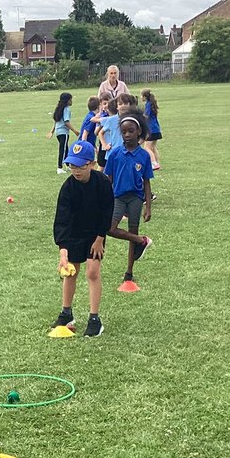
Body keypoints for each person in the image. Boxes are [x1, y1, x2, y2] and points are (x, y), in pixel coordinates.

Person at [51, 140, 114, 338]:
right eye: (72, 166)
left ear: (92, 164)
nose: (76, 171)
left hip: (95, 234)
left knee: (93, 272)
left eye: (80, 166)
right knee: (70, 272)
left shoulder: (102, 183)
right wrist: (63, 251)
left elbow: (107, 212)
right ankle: (66, 313)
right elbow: (62, 219)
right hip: (74, 235)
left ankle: (95, 319)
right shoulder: (68, 188)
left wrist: (100, 238)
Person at [104, 110, 154, 291]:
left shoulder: (144, 156)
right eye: (124, 131)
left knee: (133, 229)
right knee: (109, 228)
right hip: (118, 197)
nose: (127, 135)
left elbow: (147, 182)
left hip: (135, 199)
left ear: (138, 132)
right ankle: (141, 240)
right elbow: (107, 179)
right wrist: (103, 199)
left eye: (130, 131)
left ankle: (129, 272)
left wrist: (148, 207)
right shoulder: (115, 154)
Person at [52, 92, 77, 174]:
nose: (71, 101)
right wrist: (75, 131)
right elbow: (66, 122)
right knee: (63, 149)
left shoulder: (59, 109)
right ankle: (59, 167)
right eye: (70, 99)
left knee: (66, 149)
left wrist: (52, 131)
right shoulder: (66, 109)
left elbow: (56, 122)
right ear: (67, 101)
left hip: (58, 132)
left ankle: (67, 165)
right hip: (63, 132)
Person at [141, 88, 162, 169]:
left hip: (151, 130)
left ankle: (154, 163)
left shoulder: (148, 105)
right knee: (153, 147)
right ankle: (157, 163)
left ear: (144, 97)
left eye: (141, 96)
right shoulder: (152, 104)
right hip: (157, 129)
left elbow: (146, 116)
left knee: (147, 148)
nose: (141, 98)